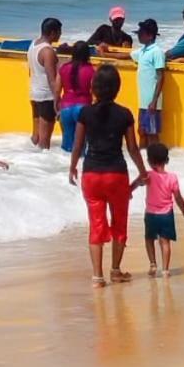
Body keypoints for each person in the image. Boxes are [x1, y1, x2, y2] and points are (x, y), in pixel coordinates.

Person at [69, 65, 148, 287]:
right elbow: (132, 149)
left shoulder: (85, 113)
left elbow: (78, 144)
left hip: (92, 175)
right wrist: (142, 172)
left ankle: (97, 277)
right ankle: (115, 271)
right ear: (117, 88)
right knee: (119, 223)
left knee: (96, 224)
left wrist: (72, 166)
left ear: (94, 87)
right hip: (116, 175)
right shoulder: (124, 114)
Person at [133, 142, 184, 278]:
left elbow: (136, 183)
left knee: (149, 239)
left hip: (151, 214)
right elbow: (178, 197)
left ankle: (153, 263)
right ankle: (165, 270)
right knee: (165, 242)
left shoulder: (148, 175)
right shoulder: (172, 178)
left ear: (148, 161)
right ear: (167, 160)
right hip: (166, 214)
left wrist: (128, 191)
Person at [28, 18, 62, 149]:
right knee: (44, 141)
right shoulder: (48, 51)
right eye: (59, 32)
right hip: (46, 97)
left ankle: (27, 163)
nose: (60, 35)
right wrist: (57, 101)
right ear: (53, 33)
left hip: (34, 94)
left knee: (36, 137)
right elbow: (52, 79)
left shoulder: (33, 45)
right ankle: (40, 166)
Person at [131, 19, 165, 145]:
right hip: (143, 103)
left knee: (152, 134)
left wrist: (154, 101)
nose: (139, 35)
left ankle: (155, 161)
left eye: (141, 33)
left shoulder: (157, 52)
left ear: (150, 35)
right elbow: (127, 55)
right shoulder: (143, 51)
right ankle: (144, 158)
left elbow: (161, 76)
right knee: (142, 131)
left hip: (151, 102)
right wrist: (105, 53)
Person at [57, 41, 95, 153]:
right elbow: (95, 91)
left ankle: (63, 169)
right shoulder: (91, 70)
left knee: (67, 146)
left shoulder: (64, 68)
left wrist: (57, 105)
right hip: (83, 109)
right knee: (81, 147)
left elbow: (56, 89)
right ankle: (78, 168)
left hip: (66, 108)